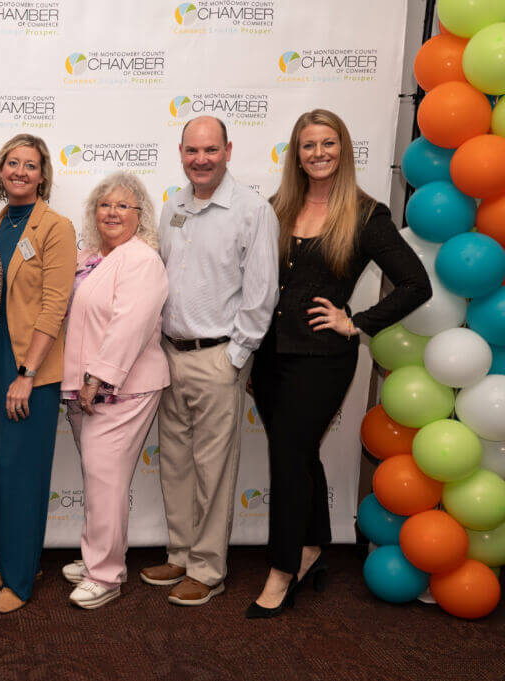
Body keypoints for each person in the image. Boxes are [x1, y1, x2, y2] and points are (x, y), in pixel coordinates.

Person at [246, 110, 431, 618]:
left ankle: (282, 569)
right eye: (309, 145)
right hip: (270, 355)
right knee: (301, 454)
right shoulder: (277, 208)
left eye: (328, 143)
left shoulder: (367, 215)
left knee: (288, 459)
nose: (319, 153)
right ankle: (312, 547)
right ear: (297, 154)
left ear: (343, 149)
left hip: (322, 360)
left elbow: (416, 284)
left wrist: (356, 322)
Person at [141, 116, 279, 607]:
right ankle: (180, 554)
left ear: (228, 151)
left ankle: (207, 568)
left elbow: (262, 292)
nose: (201, 159)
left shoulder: (252, 210)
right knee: (175, 464)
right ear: (181, 152)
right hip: (169, 355)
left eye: (211, 150)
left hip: (219, 357)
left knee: (213, 469)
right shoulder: (173, 206)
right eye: (192, 150)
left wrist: (236, 356)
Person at [0, 134, 77, 613]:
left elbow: (55, 306)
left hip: (28, 371)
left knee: (21, 474)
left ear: (42, 176)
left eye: (30, 165)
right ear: (1, 172)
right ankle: (4, 561)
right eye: (12, 163)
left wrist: (28, 372)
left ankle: (20, 579)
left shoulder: (56, 227)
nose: (20, 171)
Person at [59, 172, 169, 610]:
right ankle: (98, 557)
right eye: (105, 204)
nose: (112, 212)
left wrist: (96, 379)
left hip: (121, 389)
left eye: (124, 205)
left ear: (141, 215)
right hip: (82, 390)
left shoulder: (142, 259)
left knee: (105, 480)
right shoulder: (87, 257)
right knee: (100, 479)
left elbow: (130, 326)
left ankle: (105, 575)